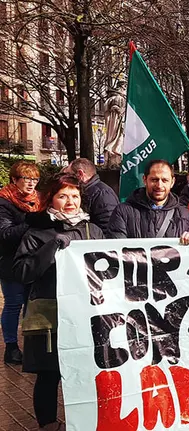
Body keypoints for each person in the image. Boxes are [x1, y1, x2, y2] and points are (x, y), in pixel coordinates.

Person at [14, 174, 104, 431]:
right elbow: (22, 272)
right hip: (48, 312)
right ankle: (49, 424)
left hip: (86, 313)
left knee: (88, 369)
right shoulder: (37, 232)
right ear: (50, 199)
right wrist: (51, 247)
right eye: (63, 196)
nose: (70, 202)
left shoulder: (92, 230)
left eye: (75, 196)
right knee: (48, 373)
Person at [0, 161, 40, 364]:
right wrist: (30, 222)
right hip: (11, 263)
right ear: (14, 180)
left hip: (34, 262)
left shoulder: (38, 200)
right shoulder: (3, 202)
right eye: (26, 179)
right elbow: (5, 234)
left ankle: (31, 346)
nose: (31, 183)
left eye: (35, 179)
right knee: (13, 304)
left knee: (31, 305)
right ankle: (11, 347)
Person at [108, 160, 189, 243]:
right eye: (154, 180)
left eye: (165, 180)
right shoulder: (123, 212)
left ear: (172, 182)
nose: (159, 185)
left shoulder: (184, 214)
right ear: (144, 180)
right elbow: (118, 249)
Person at [62, 157, 119, 231]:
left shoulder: (102, 194)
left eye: (68, 175)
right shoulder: (92, 191)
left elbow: (109, 228)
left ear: (80, 174)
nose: (66, 179)